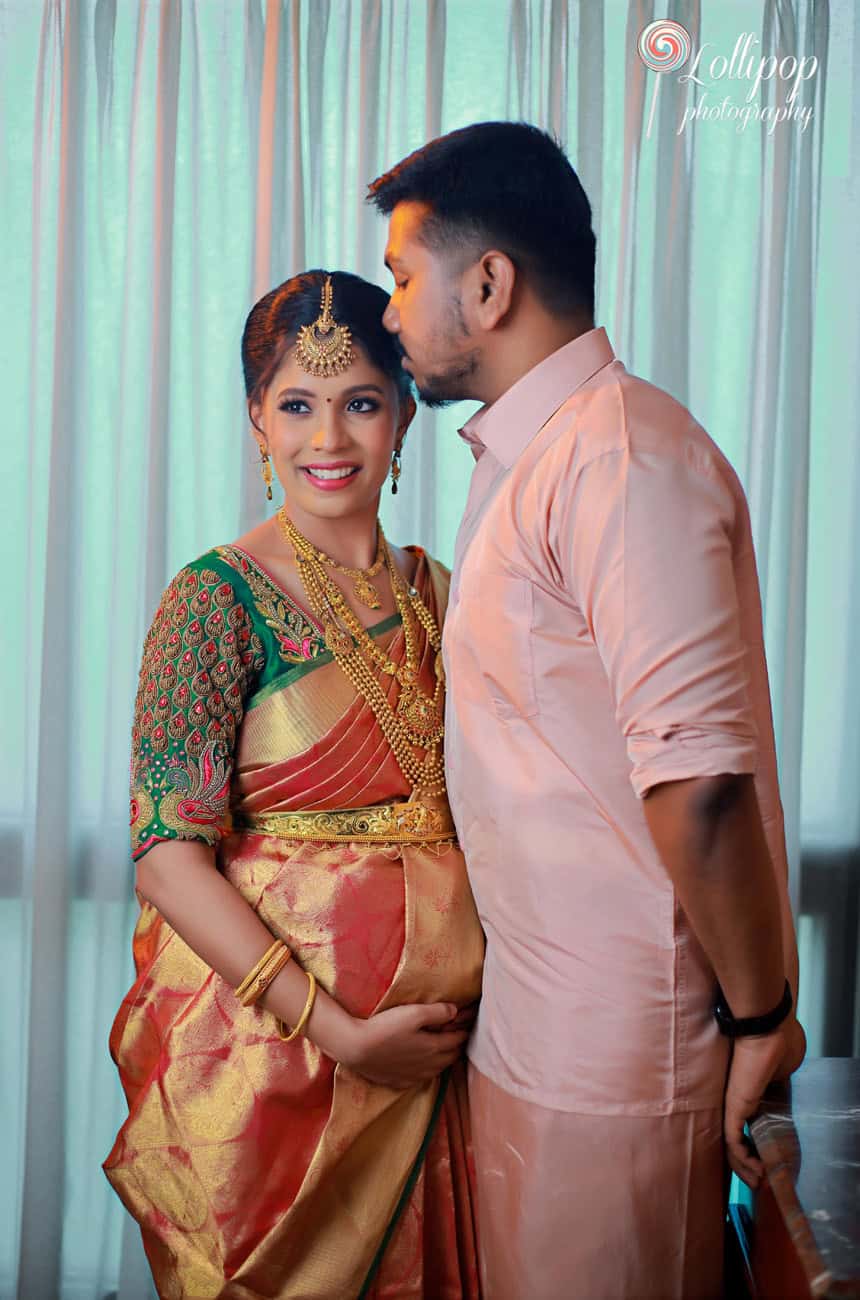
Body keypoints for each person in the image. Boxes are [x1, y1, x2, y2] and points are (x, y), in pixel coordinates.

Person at [368, 121, 807, 1300]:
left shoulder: (617, 456)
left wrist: (761, 1014)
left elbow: (699, 783)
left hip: (619, 1049)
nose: (391, 309)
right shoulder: (528, 460)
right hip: (531, 1029)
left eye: (406, 277)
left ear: (490, 283)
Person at [103, 270, 484, 1299]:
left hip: (446, 1051)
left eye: (360, 401)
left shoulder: (446, 592)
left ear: (402, 412)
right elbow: (167, 859)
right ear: (255, 420)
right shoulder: (213, 601)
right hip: (276, 1056)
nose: (329, 437)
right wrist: (340, 1031)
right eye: (297, 405)